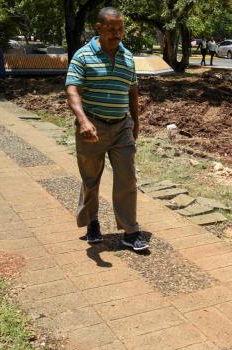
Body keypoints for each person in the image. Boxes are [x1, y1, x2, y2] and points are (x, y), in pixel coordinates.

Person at [65, 7, 149, 251]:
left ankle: (130, 231)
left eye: (120, 29)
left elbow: (132, 92)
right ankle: (92, 222)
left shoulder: (127, 58)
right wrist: (83, 120)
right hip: (93, 125)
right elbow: (72, 91)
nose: (117, 33)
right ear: (99, 28)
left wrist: (136, 121)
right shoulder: (83, 56)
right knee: (91, 179)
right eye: (112, 29)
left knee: (127, 178)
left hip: (122, 126)